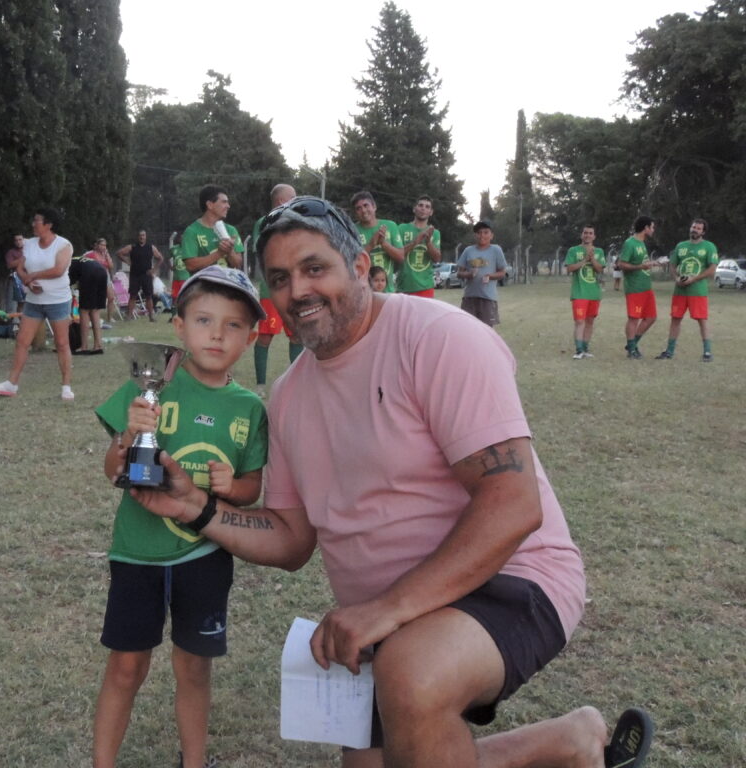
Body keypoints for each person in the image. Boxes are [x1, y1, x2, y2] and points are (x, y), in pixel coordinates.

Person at [131, 196, 653, 768]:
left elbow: (513, 504)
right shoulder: (289, 396)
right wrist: (197, 508)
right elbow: (291, 538)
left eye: (314, 268)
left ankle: (554, 736)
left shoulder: (438, 338)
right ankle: (569, 743)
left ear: (360, 266)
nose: (298, 290)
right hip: (391, 618)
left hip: (511, 575)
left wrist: (387, 610)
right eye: (279, 278)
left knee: (411, 675)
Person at [93, 265, 268, 768]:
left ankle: (194, 761)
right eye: (204, 320)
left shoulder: (249, 408)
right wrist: (128, 435)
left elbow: (252, 487)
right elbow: (113, 470)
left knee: (194, 668)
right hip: (137, 553)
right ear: (179, 326)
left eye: (233, 325)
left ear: (251, 337)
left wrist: (232, 487)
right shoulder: (152, 385)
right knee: (126, 667)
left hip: (204, 556)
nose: (217, 335)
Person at [0, 208, 75, 401]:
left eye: (37, 221)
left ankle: (66, 386)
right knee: (22, 341)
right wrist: (27, 281)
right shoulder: (29, 244)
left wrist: (33, 275)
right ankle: (11, 384)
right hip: (34, 301)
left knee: (61, 343)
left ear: (48, 224)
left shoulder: (64, 245)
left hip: (58, 300)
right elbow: (20, 267)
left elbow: (59, 270)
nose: (33, 224)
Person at [250, 183, 304, 397]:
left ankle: (297, 383)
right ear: (282, 201)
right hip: (271, 290)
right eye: (293, 197)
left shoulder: (297, 222)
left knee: (297, 336)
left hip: (295, 288)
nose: (296, 201)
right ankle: (261, 386)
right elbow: (263, 250)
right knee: (265, 336)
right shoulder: (264, 223)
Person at [655, 218, 720, 362]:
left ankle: (707, 352)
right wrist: (676, 278)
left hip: (697, 291)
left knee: (702, 320)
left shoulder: (709, 246)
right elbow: (672, 265)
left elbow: (712, 269)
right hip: (680, 291)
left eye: (698, 228)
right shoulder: (681, 246)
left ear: (703, 232)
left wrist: (694, 279)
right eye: (693, 227)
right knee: (675, 319)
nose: (694, 230)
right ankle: (669, 351)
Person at [617, 216, 661, 359]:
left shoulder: (642, 243)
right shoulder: (630, 243)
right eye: (652, 227)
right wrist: (641, 266)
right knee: (634, 318)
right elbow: (622, 264)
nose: (653, 230)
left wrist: (652, 263)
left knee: (651, 317)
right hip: (635, 287)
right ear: (646, 228)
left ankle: (632, 343)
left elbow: (642, 263)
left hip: (646, 286)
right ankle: (631, 350)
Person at [179, 185, 245, 277]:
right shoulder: (192, 231)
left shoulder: (231, 230)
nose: (228, 206)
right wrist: (219, 253)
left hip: (226, 285)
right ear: (210, 205)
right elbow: (190, 265)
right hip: (203, 285)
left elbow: (238, 264)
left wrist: (230, 251)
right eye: (224, 202)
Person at [457, 221, 509, 327]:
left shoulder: (496, 250)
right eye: (479, 233)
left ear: (491, 235)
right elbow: (459, 273)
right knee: (467, 328)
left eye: (486, 232)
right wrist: (469, 274)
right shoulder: (468, 250)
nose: (482, 235)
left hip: (488, 298)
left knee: (486, 330)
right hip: (469, 297)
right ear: (475, 235)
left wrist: (490, 276)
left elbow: (502, 272)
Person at [350, 190, 403, 292]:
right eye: (358, 208)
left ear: (374, 207)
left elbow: (401, 257)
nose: (363, 210)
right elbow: (351, 262)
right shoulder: (352, 230)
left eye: (366, 205)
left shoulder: (390, 226)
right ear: (355, 213)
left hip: (388, 292)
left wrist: (383, 243)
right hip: (364, 292)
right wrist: (371, 244)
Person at [565, 225, 605, 359]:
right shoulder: (573, 250)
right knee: (579, 321)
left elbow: (600, 269)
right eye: (585, 233)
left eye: (590, 233)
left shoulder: (599, 251)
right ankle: (578, 350)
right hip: (579, 293)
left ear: (594, 236)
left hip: (594, 293)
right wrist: (584, 260)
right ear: (581, 235)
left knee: (589, 322)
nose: (587, 235)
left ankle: (585, 348)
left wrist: (592, 259)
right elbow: (569, 268)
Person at [395, 195, 442, 297]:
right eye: (420, 205)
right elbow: (397, 254)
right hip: (403, 286)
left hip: (425, 287)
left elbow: (437, 258)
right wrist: (416, 241)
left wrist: (428, 242)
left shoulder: (435, 233)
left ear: (431, 212)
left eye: (427, 206)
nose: (423, 208)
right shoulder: (402, 228)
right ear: (414, 209)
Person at [115, 230, 163, 321]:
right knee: (133, 295)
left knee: (149, 296)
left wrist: (154, 270)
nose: (142, 237)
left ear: (146, 236)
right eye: (140, 235)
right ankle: (129, 316)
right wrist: (127, 261)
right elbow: (119, 253)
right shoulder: (132, 247)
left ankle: (151, 317)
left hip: (146, 274)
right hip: (135, 275)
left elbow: (160, 258)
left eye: (143, 235)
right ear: (138, 237)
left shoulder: (151, 247)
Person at [70, 251, 109, 355]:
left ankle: (84, 347)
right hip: (102, 271)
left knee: (84, 310)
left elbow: (67, 287)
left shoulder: (66, 265)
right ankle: (98, 345)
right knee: (95, 310)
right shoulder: (78, 259)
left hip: (89, 273)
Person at [85, 238, 121, 325]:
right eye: (102, 245)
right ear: (97, 245)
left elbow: (111, 266)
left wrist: (107, 255)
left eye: (105, 245)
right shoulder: (91, 254)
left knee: (111, 297)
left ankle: (110, 317)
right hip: (95, 278)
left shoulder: (105, 255)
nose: (104, 247)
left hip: (105, 277)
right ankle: (92, 318)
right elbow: (82, 262)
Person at [5, 233, 26, 315]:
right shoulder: (11, 252)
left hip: (31, 277)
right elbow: (10, 265)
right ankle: (21, 322)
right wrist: (24, 258)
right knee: (21, 303)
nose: (18, 242)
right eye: (16, 240)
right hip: (18, 279)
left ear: (24, 240)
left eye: (20, 239)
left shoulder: (30, 250)